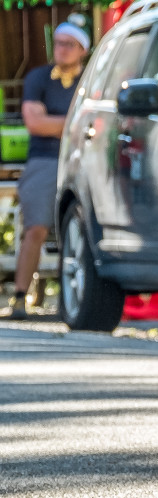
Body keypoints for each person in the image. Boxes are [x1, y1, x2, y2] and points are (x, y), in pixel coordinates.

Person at [7, 20, 90, 318]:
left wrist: (55, 123)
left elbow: (98, 122)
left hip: (84, 159)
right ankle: (19, 296)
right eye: (59, 43)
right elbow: (35, 123)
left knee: (83, 227)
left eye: (69, 44)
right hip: (44, 158)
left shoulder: (91, 80)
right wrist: (76, 122)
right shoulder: (38, 77)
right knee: (36, 227)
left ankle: (77, 300)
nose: (62, 49)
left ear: (82, 50)